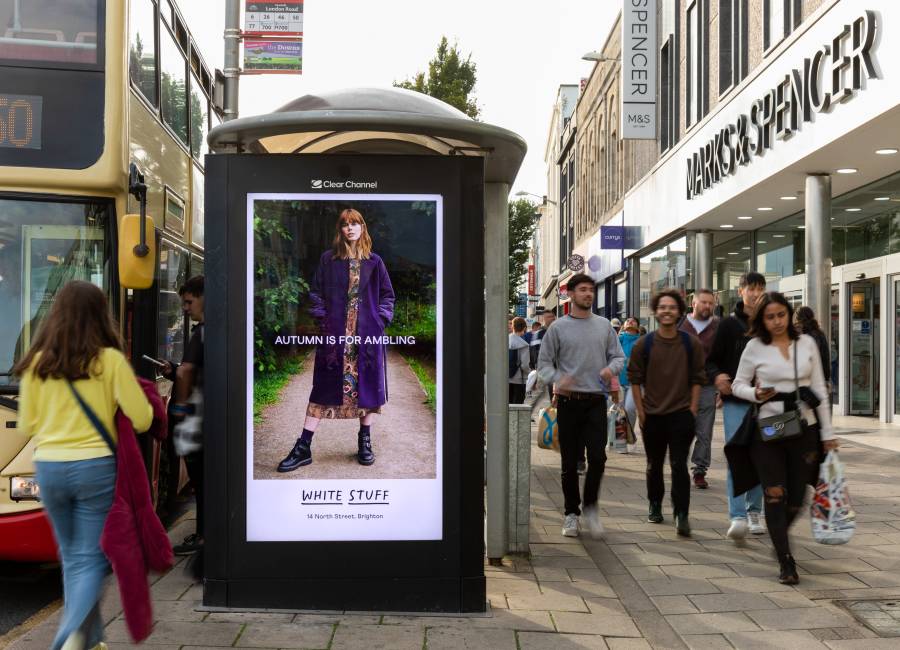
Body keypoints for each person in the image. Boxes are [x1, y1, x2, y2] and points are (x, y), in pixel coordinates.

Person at [15, 281, 153, 650]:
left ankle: (92, 640)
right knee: (89, 557)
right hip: (95, 468)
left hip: (48, 467)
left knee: (72, 557)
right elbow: (142, 419)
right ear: (100, 315)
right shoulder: (109, 361)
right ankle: (70, 636)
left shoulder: (36, 362)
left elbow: (28, 424)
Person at [731, 292, 838, 584]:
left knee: (796, 496)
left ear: (789, 315)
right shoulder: (754, 347)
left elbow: (819, 392)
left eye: (781, 315)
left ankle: (779, 535)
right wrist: (754, 393)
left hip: (805, 427)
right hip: (770, 427)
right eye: (770, 316)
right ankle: (785, 559)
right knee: (775, 493)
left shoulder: (807, 344)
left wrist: (828, 434)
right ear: (761, 320)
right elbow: (737, 384)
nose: (776, 321)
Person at [277, 208, 395, 472]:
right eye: (345, 224)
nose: (351, 228)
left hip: (366, 339)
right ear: (340, 230)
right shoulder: (328, 260)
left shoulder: (375, 262)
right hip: (335, 339)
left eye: (355, 223)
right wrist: (324, 321)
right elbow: (316, 293)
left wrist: (381, 320)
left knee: (367, 392)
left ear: (363, 228)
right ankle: (303, 446)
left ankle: (364, 441)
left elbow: (388, 296)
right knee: (322, 389)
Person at [537, 273, 624, 538]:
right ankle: (571, 514)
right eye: (583, 290)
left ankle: (591, 507)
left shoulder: (604, 327)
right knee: (570, 462)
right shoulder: (558, 328)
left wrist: (610, 370)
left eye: (591, 290)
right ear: (571, 294)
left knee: (598, 458)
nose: (588, 294)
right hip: (568, 402)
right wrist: (558, 378)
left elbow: (619, 357)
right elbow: (543, 366)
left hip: (595, 401)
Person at [628, 289, 706, 536]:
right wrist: (640, 412)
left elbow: (698, 379)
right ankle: (655, 503)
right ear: (655, 311)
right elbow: (634, 379)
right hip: (652, 416)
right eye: (662, 307)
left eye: (672, 307)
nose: (667, 311)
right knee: (654, 465)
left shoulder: (690, 343)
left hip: (682, 415)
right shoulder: (645, 343)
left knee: (679, 465)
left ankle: (681, 513)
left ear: (680, 311)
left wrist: (692, 409)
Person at [707, 272, 767, 540]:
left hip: (768, 404)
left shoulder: (771, 321)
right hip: (736, 401)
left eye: (760, 288)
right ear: (741, 291)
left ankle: (755, 511)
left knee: (761, 458)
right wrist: (717, 376)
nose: (755, 294)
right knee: (736, 457)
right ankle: (738, 516)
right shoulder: (728, 326)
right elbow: (711, 361)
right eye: (750, 289)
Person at [161, 275, 206, 555]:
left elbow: (187, 371)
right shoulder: (214, 329)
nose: (185, 309)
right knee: (202, 480)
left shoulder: (202, 332)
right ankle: (203, 533)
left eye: (189, 302)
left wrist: (178, 408)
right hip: (209, 416)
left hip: (197, 418)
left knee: (200, 478)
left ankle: (203, 537)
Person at [679, 289, 720, 489]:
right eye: (703, 302)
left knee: (704, 431)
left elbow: (723, 356)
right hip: (681, 388)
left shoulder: (718, 326)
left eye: (710, 303)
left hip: (706, 386)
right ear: (693, 303)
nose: (707, 306)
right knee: (682, 429)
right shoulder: (681, 324)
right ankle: (678, 466)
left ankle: (699, 470)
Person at [795, 306, 831, 392]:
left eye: (797, 318)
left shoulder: (808, 335)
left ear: (800, 319)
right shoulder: (819, 332)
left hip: (813, 380)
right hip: (821, 377)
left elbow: (809, 358)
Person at [617, 318, 641, 431]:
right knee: (619, 410)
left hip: (634, 383)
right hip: (618, 382)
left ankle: (629, 433)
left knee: (630, 409)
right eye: (627, 320)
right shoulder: (618, 339)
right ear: (624, 325)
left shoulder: (642, 341)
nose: (630, 321)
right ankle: (620, 439)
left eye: (633, 321)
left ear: (638, 326)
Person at [508, 316, 530, 404]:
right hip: (519, 378)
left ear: (512, 326)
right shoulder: (524, 344)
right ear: (524, 328)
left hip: (505, 378)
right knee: (517, 405)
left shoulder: (504, 340)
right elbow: (524, 365)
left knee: (506, 404)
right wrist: (529, 373)